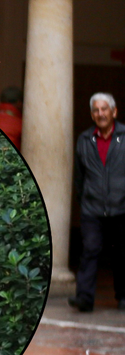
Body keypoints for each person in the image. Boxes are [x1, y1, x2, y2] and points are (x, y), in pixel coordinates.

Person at [69, 93, 125, 313]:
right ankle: (84, 298)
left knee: (122, 254)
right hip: (92, 208)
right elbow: (79, 177)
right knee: (90, 250)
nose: (100, 114)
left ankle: (123, 296)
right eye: (96, 110)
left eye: (104, 109)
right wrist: (85, 200)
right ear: (92, 114)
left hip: (121, 207)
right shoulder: (84, 139)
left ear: (114, 112)